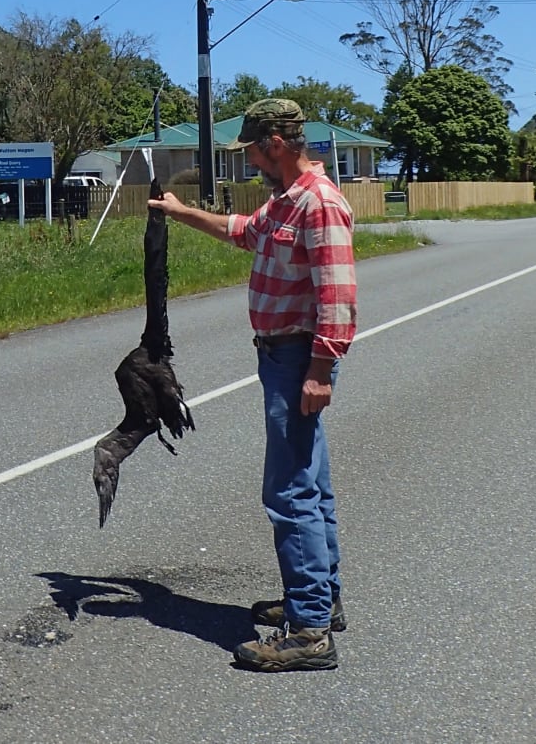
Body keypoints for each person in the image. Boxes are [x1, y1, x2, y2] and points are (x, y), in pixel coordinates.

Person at [148, 98, 357, 672]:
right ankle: (320, 600)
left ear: (275, 143)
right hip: (284, 358)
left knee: (289, 492)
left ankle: (311, 630)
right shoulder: (284, 203)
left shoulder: (318, 203)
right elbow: (242, 232)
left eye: (253, 152)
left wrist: (319, 370)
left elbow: (337, 294)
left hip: (298, 359)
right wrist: (180, 211)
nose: (251, 163)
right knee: (311, 482)